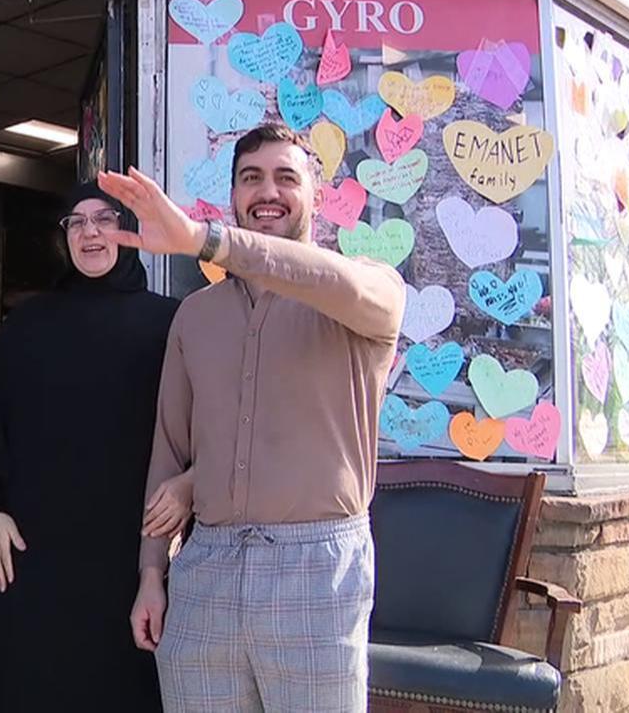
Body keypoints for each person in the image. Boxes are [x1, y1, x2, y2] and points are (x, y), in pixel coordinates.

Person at [99, 123, 406, 712]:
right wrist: (151, 573)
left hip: (316, 574)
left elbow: (318, 274)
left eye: (286, 177)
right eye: (251, 178)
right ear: (234, 195)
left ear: (318, 194)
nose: (268, 191)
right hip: (206, 571)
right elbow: (170, 451)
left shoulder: (367, 292)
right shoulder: (195, 317)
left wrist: (200, 239)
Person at [0, 183, 190, 713]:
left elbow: (206, 430)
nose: (90, 233)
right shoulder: (28, 327)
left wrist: (188, 489)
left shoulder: (173, 324)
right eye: (76, 223)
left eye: (104, 219)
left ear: (129, 232)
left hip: (129, 562)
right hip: (33, 561)